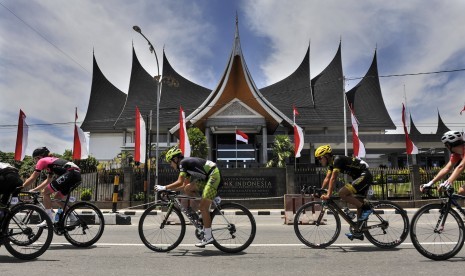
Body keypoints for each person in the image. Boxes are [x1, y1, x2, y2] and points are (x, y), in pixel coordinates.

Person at [155, 146, 223, 247]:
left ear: (175, 159)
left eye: (171, 162)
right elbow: (183, 185)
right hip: (208, 177)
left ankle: (208, 237)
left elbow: (179, 181)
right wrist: (169, 189)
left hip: (214, 175)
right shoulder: (186, 166)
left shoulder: (183, 163)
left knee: (203, 208)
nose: (171, 165)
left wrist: (164, 187)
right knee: (188, 188)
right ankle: (204, 209)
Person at [314, 144, 373, 240]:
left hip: (364, 175)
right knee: (358, 203)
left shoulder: (337, 160)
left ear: (326, 156)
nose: (319, 161)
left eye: (320, 158)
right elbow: (327, 178)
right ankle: (359, 230)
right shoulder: (331, 164)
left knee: (342, 193)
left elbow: (333, 178)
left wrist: (328, 194)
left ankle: (366, 208)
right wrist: (320, 190)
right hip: (358, 177)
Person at [22, 147, 81, 226]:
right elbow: (48, 181)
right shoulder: (51, 162)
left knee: (45, 192)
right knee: (57, 198)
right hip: (77, 175)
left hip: (71, 173)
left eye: (35, 159)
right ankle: (73, 218)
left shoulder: (42, 160)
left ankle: (49, 219)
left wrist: (21, 187)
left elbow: (33, 177)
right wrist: (35, 189)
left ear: (39, 157)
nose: (36, 161)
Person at [421, 130, 465, 195]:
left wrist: (448, 182)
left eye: (446, 145)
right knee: (462, 191)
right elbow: (446, 168)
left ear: (448, 145)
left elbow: (460, 167)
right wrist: (430, 183)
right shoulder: (457, 154)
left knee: (462, 191)